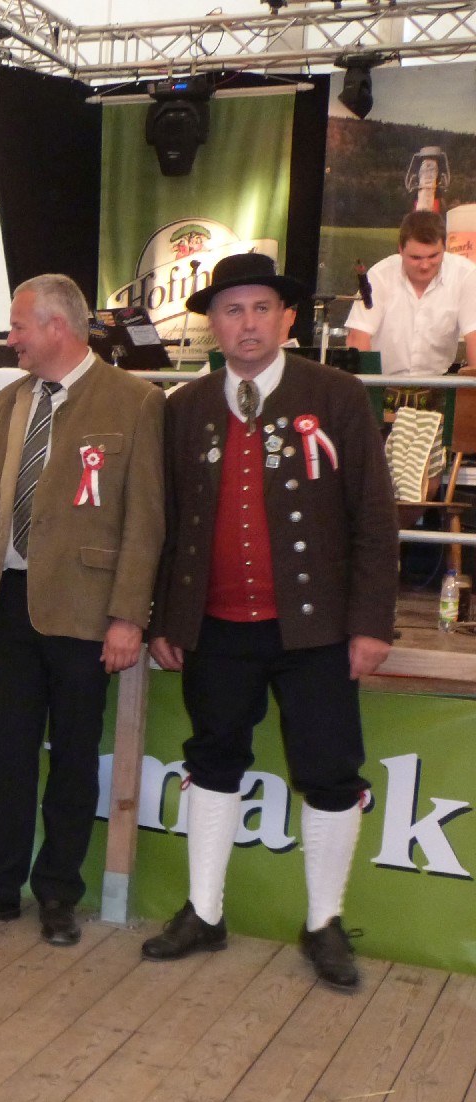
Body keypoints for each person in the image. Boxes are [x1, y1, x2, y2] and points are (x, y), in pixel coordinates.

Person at [142, 253, 398, 991]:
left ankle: (324, 922)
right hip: (216, 624)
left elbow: (374, 517)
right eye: (232, 310)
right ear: (214, 325)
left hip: (314, 628)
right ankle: (204, 911)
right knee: (213, 761)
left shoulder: (337, 395)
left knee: (329, 771)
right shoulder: (184, 407)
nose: (247, 324)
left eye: (261, 309)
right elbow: (168, 524)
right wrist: (166, 617)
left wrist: (371, 622)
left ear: (286, 319)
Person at [0, 274, 164, 946]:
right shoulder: (9, 401)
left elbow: (146, 520)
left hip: (87, 612)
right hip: (7, 604)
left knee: (73, 757)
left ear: (56, 327)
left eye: (18, 327)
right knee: (4, 754)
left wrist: (129, 616)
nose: (11, 339)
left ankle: (59, 893)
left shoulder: (135, 400)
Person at [346, 209, 476, 376]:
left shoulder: (466, 275)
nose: (425, 265)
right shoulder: (380, 275)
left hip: (438, 384)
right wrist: (367, 386)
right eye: (416, 258)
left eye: (433, 256)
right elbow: (358, 337)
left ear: (445, 247)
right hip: (382, 381)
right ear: (400, 249)